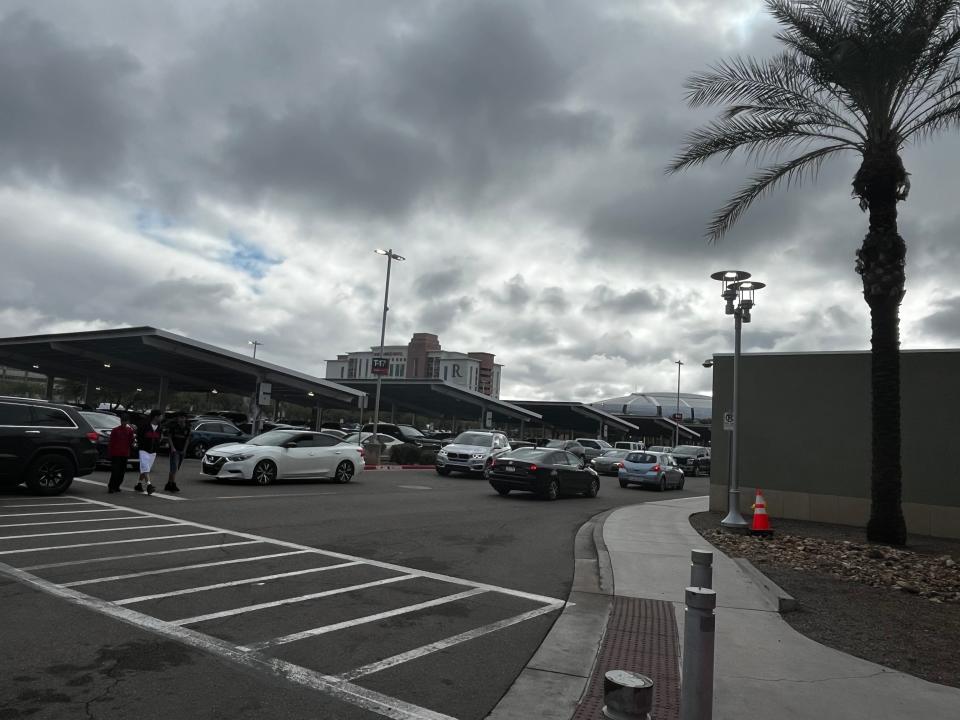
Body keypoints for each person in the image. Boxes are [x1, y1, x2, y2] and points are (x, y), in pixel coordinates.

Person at [135, 410, 163, 495]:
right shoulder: (145, 426)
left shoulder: (159, 427)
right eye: (160, 416)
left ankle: (139, 484)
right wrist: (141, 445)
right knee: (146, 467)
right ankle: (149, 485)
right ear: (155, 417)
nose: (161, 418)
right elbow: (138, 436)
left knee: (145, 468)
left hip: (153, 451)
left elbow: (160, 437)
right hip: (144, 449)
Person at [107, 414, 136, 493]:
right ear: (121, 421)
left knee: (122, 472)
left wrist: (133, 444)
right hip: (116, 453)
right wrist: (110, 453)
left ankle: (117, 486)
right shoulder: (115, 430)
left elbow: (132, 441)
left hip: (124, 453)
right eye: (123, 421)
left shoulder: (130, 431)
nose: (124, 423)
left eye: (125, 421)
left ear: (127, 422)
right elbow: (111, 442)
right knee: (115, 471)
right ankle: (111, 486)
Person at [164, 413, 190, 493]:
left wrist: (184, 450)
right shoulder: (174, 427)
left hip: (181, 450)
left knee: (175, 468)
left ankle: (168, 483)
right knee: (174, 467)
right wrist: (172, 448)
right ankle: (173, 484)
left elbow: (187, 440)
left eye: (183, 417)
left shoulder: (187, 428)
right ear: (178, 418)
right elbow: (169, 437)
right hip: (174, 450)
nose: (182, 419)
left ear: (185, 418)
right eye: (180, 417)